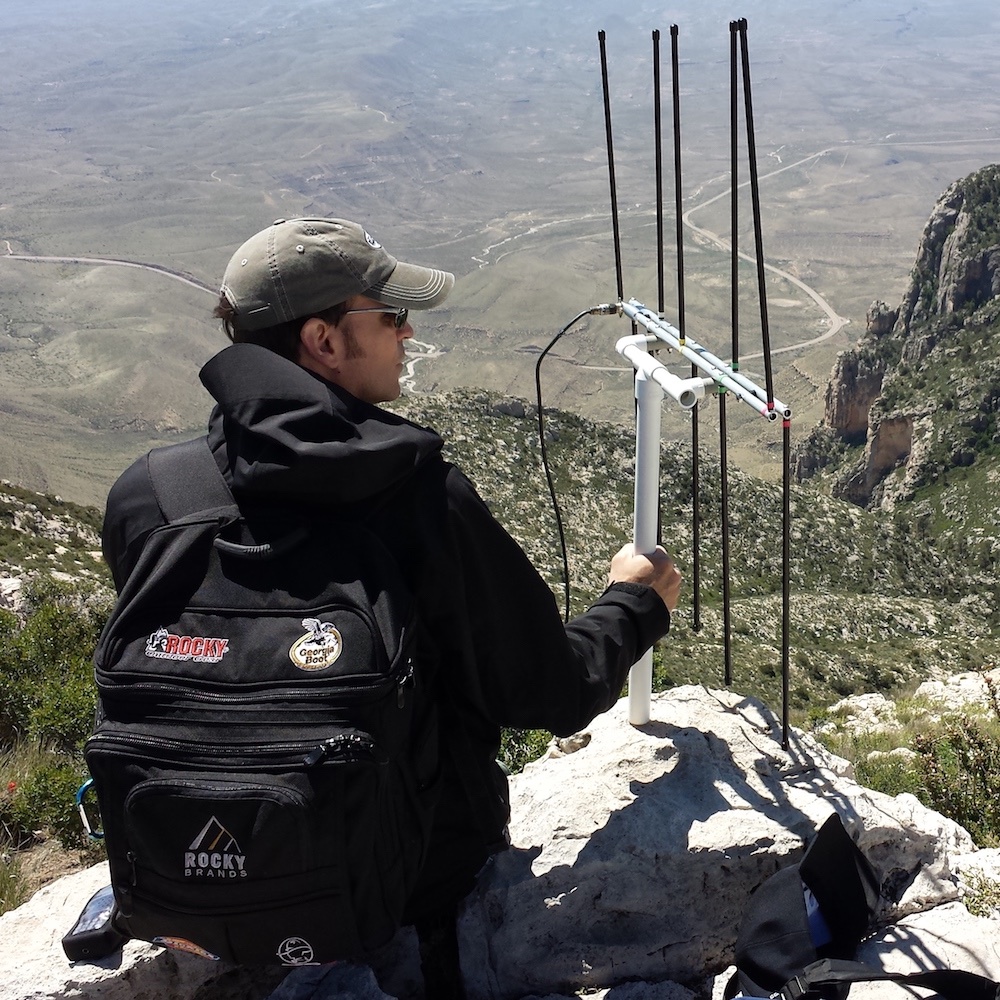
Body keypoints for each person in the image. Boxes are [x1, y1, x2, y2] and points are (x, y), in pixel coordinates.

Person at [101, 217, 682, 997]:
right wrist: (633, 604)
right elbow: (549, 691)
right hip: (409, 901)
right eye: (389, 316)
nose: (408, 332)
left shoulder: (152, 496)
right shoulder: (418, 499)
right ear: (324, 340)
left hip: (193, 884)